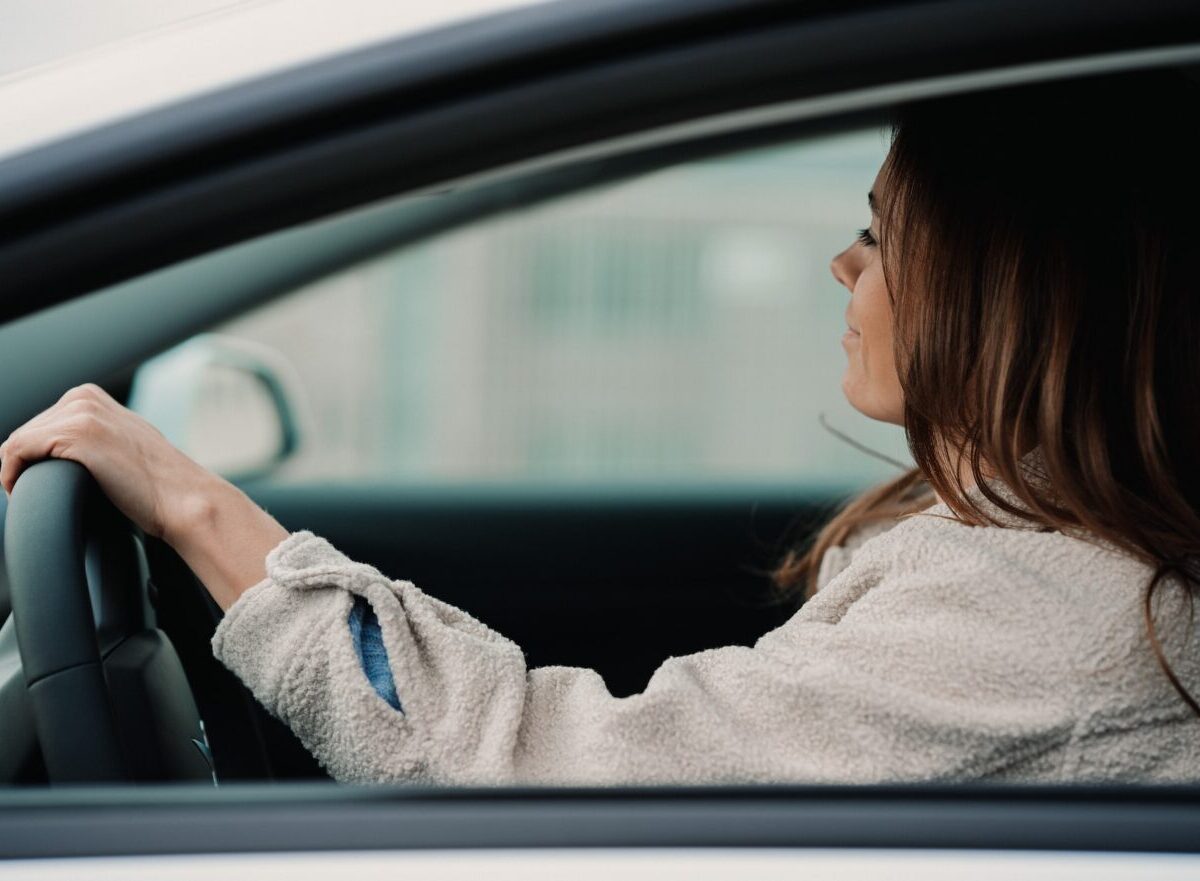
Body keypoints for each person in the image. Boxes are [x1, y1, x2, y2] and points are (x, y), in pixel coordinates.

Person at [3, 69, 1199, 785]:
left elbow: (537, 770)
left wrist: (195, 506)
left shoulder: (1050, 609)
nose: (845, 264)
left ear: (1012, 284)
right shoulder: (1039, 557)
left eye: (882, 234)